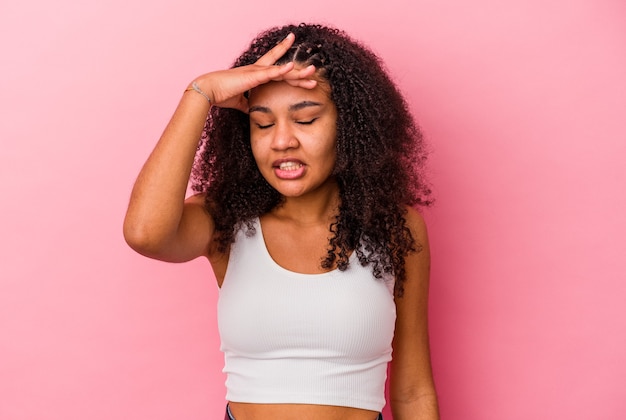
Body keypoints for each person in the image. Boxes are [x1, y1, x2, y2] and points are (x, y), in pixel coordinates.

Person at [123, 23, 439, 420]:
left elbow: (413, 390)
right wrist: (200, 92)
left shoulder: (395, 227)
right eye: (263, 123)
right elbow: (144, 233)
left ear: (350, 127)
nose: (281, 141)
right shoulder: (226, 221)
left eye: (305, 121)